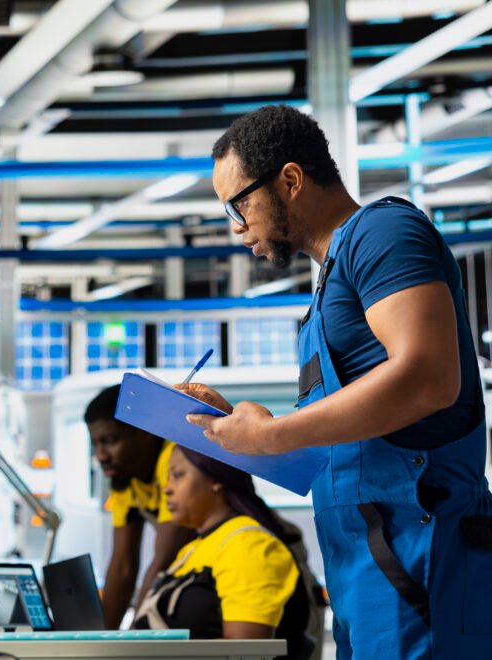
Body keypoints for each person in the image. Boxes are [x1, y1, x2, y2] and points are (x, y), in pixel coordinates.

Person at [185, 104, 490, 658]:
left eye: (239, 204)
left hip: (423, 560)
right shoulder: (326, 293)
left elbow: (429, 379)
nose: (236, 227)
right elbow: (337, 458)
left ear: (292, 180)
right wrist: (239, 433)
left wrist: (275, 434)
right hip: (362, 575)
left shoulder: (384, 232)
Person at [133, 444, 317, 660]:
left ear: (216, 479)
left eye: (178, 475)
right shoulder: (191, 549)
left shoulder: (249, 544)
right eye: (167, 478)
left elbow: (245, 654)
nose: (166, 488)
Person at [84, 385, 195, 628]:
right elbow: (122, 566)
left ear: (145, 433)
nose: (100, 455)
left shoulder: (174, 460)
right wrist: (102, 640)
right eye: (95, 444)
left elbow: (163, 561)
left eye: (110, 440)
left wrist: (132, 638)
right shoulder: (125, 477)